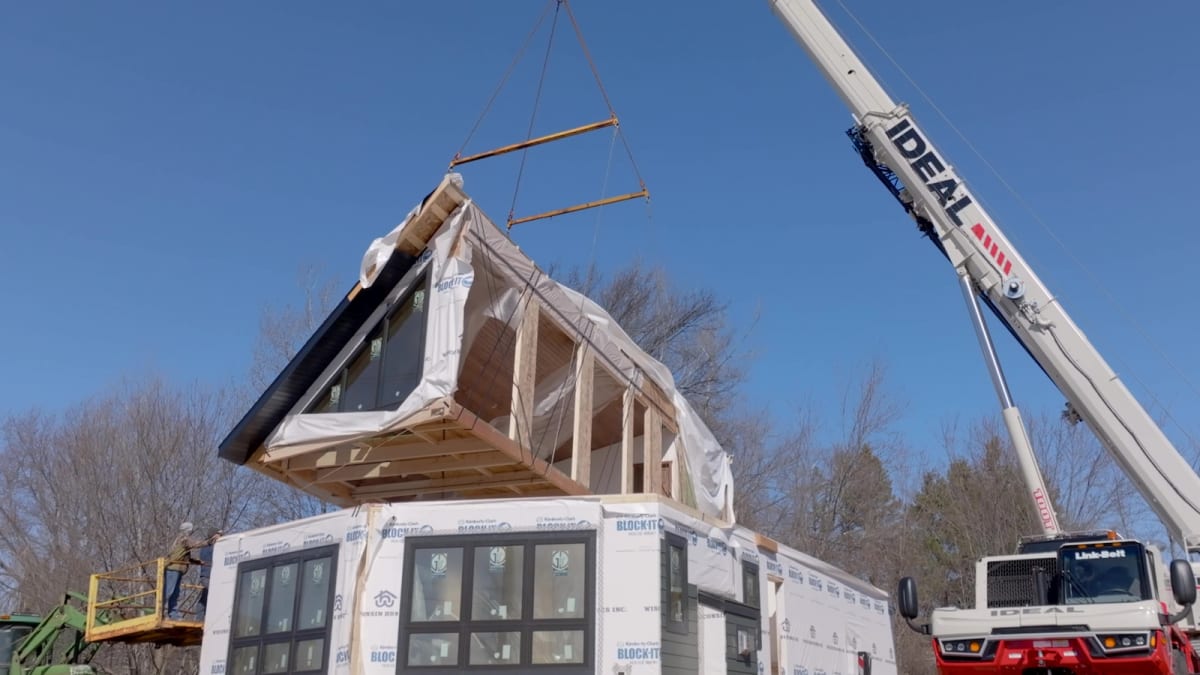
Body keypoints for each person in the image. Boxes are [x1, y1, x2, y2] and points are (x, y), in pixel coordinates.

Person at [164, 521, 203, 620]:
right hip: (173, 569)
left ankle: (173, 614)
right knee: (169, 591)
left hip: (177, 569)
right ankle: (160, 612)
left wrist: (196, 561)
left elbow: (183, 557)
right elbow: (195, 544)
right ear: (188, 530)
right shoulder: (184, 539)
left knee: (175, 593)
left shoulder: (181, 540)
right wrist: (209, 541)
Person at [195, 528, 222, 621]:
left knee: (205, 598)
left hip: (206, 576)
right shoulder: (210, 547)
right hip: (208, 576)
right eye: (218, 534)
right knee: (215, 595)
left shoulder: (207, 546)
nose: (220, 537)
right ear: (213, 535)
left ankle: (199, 619)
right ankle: (213, 619)